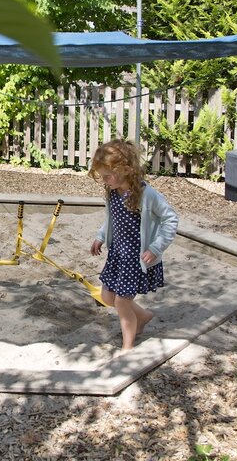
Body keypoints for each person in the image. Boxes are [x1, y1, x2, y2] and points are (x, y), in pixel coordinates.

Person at [89, 139, 179, 350]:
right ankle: (144, 316)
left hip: (135, 259)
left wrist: (156, 247)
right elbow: (111, 219)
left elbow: (171, 219)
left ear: (125, 170)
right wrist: (101, 236)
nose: (104, 180)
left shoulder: (147, 195)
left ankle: (127, 347)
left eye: (107, 175)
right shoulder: (113, 192)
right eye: (102, 176)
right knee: (107, 296)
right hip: (118, 254)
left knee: (121, 302)